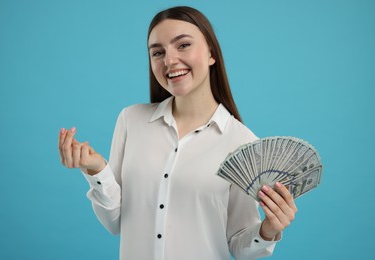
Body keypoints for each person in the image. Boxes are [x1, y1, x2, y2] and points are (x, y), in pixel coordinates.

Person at [58, 6, 297, 260]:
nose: (169, 60)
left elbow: (241, 247)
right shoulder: (131, 120)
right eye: (158, 52)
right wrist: (97, 169)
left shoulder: (243, 143)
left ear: (211, 54)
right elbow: (114, 222)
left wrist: (268, 230)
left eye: (183, 45)